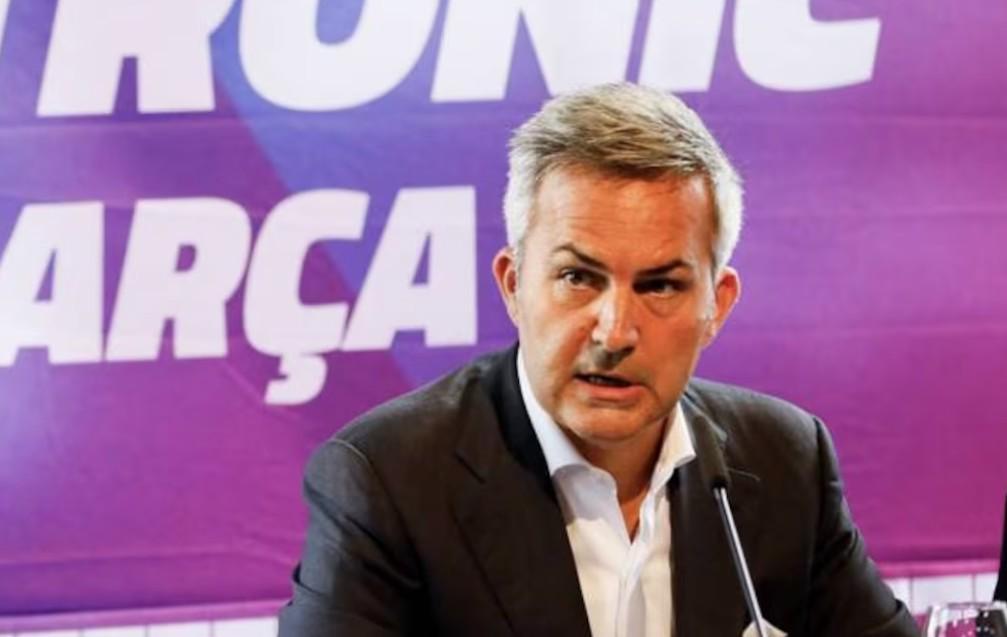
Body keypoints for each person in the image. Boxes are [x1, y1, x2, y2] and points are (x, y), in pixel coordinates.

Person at [278, 83, 918, 637]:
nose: (614, 332)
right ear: (513, 285)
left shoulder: (784, 461)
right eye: (578, 278)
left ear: (716, 305)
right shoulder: (389, 481)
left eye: (660, 286)